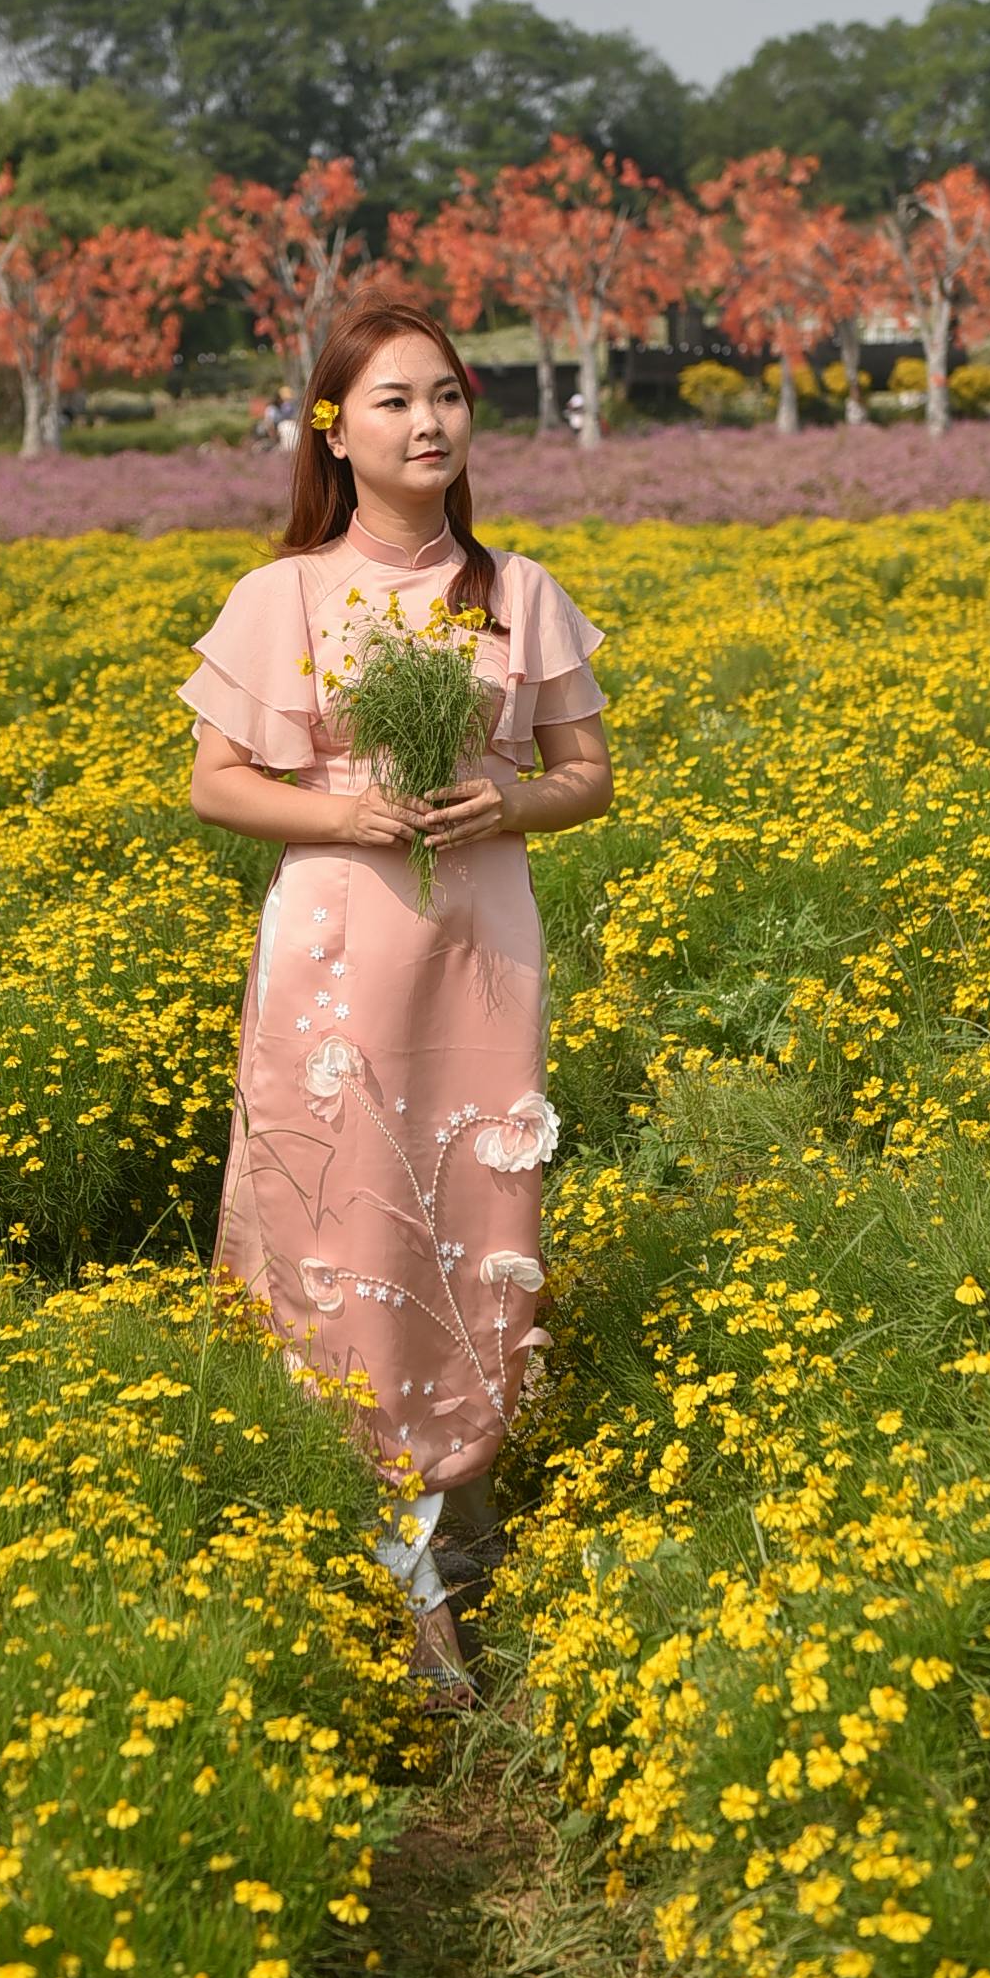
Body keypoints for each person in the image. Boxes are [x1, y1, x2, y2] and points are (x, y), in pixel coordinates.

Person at [179, 301, 613, 1706]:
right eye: (392, 403)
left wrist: (507, 796)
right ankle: (384, 1542)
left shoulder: (517, 589)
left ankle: (464, 1492)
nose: (428, 425)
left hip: (481, 943)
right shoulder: (284, 596)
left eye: (448, 398)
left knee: (481, 1209)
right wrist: (350, 813)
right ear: (334, 429)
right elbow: (213, 780)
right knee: (343, 1209)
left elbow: (586, 774)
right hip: (338, 945)